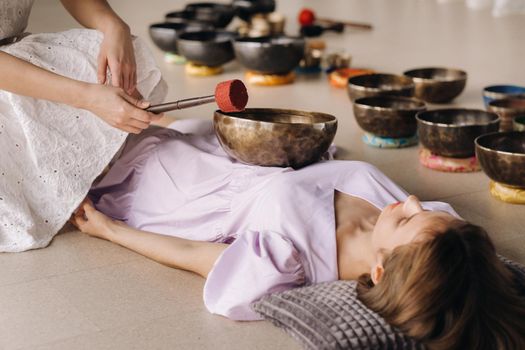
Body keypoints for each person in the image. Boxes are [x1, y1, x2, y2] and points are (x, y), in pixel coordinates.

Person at [72, 120, 525, 350]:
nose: (409, 203)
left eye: (406, 220)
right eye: (419, 210)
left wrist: (111, 232)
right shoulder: (435, 229)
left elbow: (197, 254)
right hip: (230, 148)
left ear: (381, 270)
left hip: (169, 182)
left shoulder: (293, 257)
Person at [0, 0, 166, 252]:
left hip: (12, 51)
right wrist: (88, 98)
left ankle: (68, 173)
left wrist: (114, 27)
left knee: (112, 55)